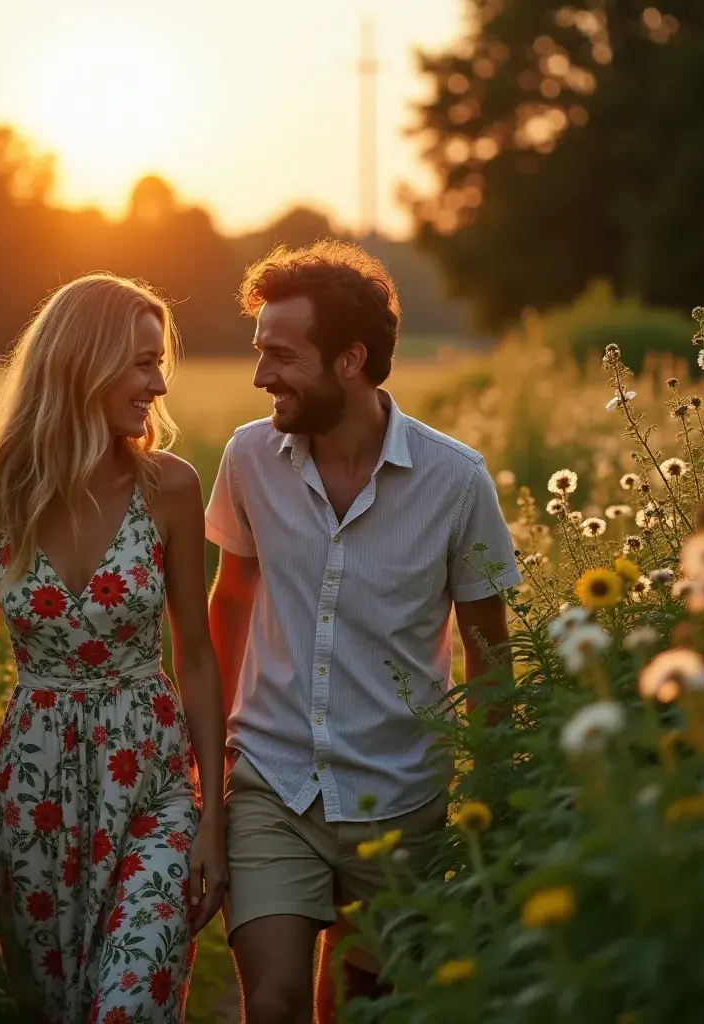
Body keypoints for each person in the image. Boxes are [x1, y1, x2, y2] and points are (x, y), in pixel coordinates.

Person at [205, 240, 521, 1024]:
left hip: (401, 796)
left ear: (350, 360)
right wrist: (202, 759)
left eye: (281, 355)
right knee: (272, 1003)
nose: (260, 375)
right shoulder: (249, 459)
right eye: (258, 352)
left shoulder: (456, 481)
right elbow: (230, 601)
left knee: (357, 1006)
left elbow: (490, 651)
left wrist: (490, 796)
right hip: (273, 781)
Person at [0, 273, 227, 1024]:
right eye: (141, 363)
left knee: (128, 1003)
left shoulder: (171, 488)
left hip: (153, 782)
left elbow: (195, 656)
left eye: (160, 363)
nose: (159, 385)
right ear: (82, 363)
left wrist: (212, 822)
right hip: (32, 792)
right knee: (57, 1010)